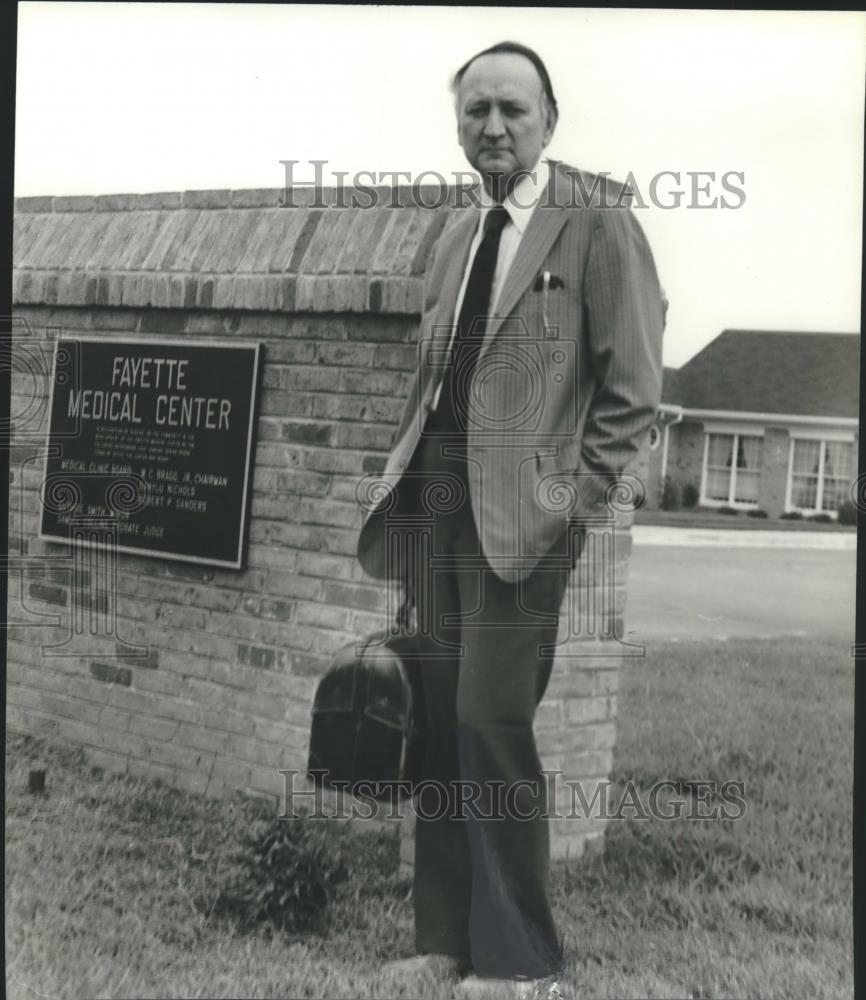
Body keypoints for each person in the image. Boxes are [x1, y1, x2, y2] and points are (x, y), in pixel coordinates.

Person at [356, 40, 665, 1000]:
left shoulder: (597, 222)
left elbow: (632, 389)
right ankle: (442, 940)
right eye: (475, 111)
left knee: (492, 723)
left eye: (513, 112)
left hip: (524, 528)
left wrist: (573, 505)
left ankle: (521, 961)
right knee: (440, 726)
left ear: (549, 121)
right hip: (436, 515)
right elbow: (432, 378)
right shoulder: (456, 236)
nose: (493, 127)